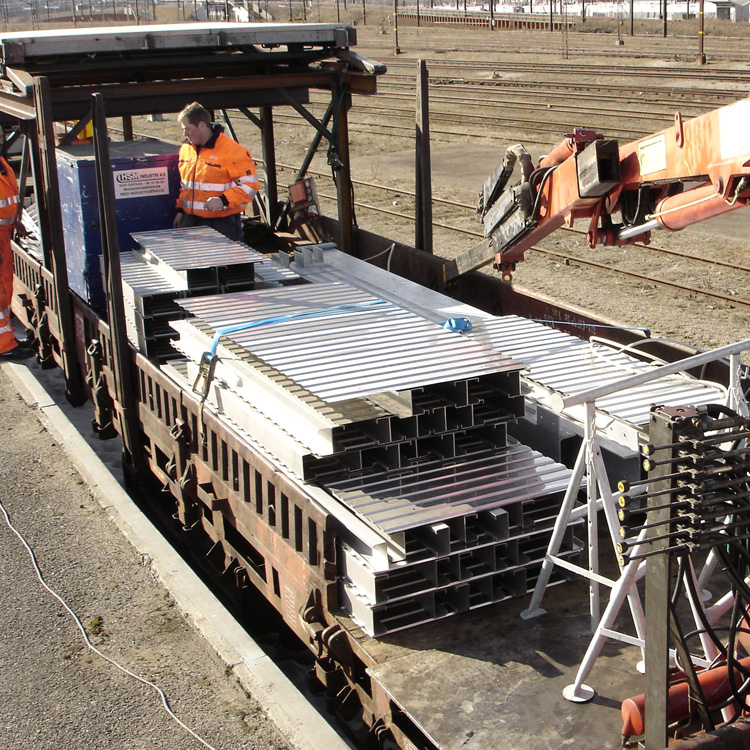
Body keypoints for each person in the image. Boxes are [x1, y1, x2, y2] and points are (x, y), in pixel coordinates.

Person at [173, 102, 260, 242]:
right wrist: (181, 211)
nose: (185, 134)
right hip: (190, 221)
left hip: (223, 223)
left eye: (187, 129)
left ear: (201, 125)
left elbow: (250, 186)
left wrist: (223, 200)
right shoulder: (186, 150)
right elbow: (186, 185)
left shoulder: (232, 151)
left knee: (228, 262)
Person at [0, 129, 32, 360]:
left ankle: (7, 341)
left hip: (3, 236)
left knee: (4, 290)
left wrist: (14, 223)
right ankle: (3, 347)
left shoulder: (2, 164)